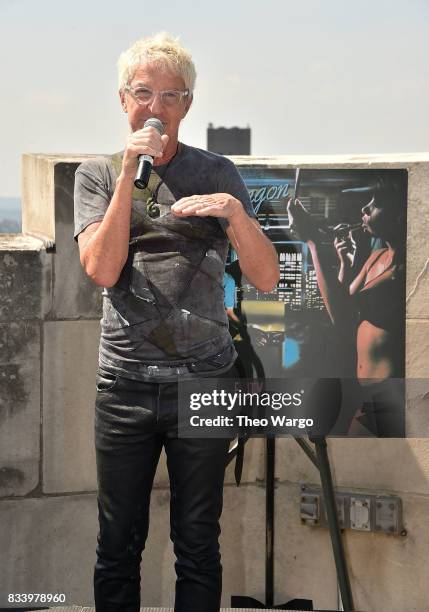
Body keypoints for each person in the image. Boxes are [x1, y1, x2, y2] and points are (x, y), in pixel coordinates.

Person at [73, 32, 279, 612]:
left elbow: (264, 279)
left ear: (187, 105)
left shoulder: (218, 172)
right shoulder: (96, 175)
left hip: (205, 384)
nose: (156, 107)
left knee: (197, 542)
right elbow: (103, 268)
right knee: (117, 543)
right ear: (122, 100)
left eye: (170, 96)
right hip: (125, 387)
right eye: (144, 93)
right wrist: (126, 176)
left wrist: (235, 214)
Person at [287, 180, 405, 437]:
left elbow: (342, 315)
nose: (365, 208)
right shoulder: (377, 256)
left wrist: (314, 243)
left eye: (375, 205)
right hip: (367, 392)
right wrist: (346, 262)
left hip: (388, 395)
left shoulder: (401, 271)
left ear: (399, 214)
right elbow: (341, 303)